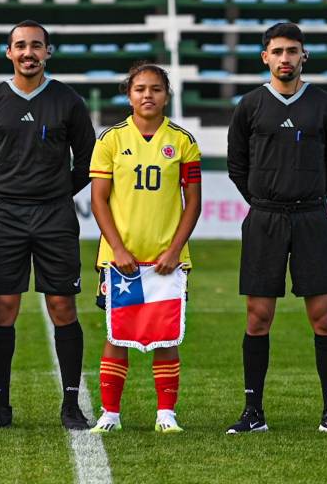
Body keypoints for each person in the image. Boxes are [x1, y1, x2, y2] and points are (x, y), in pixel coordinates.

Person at [0, 20, 96, 430]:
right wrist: (4, 189)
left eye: (36, 46)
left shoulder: (68, 100)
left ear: (47, 52)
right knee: (3, 308)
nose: (28, 53)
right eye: (20, 46)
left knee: (62, 305)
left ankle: (71, 404)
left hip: (55, 215)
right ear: (8, 53)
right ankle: (0, 406)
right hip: (6, 215)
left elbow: (89, 161)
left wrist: (56, 192)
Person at [226, 22, 327, 434]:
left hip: (312, 218)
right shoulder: (249, 105)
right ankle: (253, 413)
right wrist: (265, 201)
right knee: (258, 317)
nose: (285, 58)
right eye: (277, 51)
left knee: (323, 318)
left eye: (292, 51)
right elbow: (236, 165)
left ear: (304, 56)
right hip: (264, 218)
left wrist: (310, 197)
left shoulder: (323, 104)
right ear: (265, 57)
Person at [87, 63, 202, 434]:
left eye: (155, 88)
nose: (147, 95)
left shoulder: (183, 141)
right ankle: (111, 414)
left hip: (168, 262)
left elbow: (193, 202)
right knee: (115, 333)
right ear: (129, 95)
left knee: (166, 335)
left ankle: (166, 414)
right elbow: (99, 201)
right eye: (140, 89)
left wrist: (174, 250)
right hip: (121, 262)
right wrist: (118, 249)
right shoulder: (110, 140)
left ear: (167, 94)